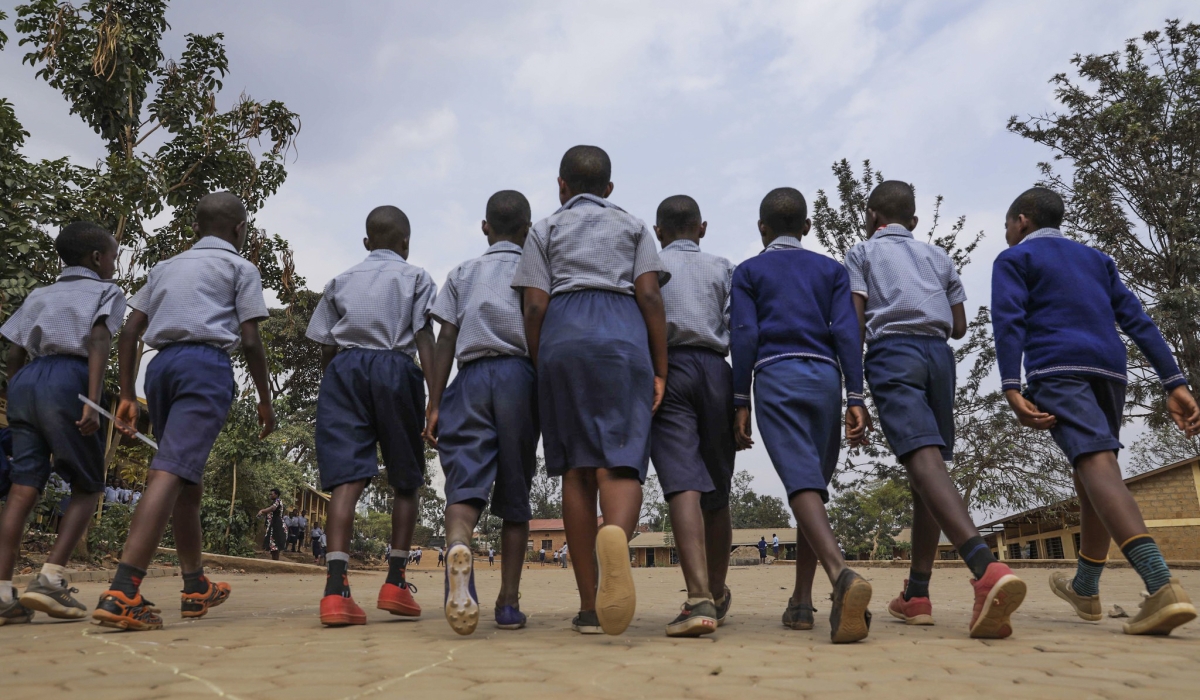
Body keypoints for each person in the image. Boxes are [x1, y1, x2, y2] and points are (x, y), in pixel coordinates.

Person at [993, 187, 1200, 636]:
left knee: (1095, 461)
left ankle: (1161, 585)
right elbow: (1137, 320)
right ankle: (1085, 588)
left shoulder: (1014, 260)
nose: (1006, 232)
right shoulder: (1096, 260)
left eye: (1007, 224)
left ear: (1022, 220)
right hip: (1110, 373)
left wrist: (1010, 385)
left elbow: (1009, 319)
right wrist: (1174, 382)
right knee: (1089, 466)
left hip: (1058, 369)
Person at [846, 180, 1026, 639]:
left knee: (921, 460)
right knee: (928, 469)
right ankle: (917, 595)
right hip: (938, 359)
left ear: (871, 216)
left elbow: (855, 320)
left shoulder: (862, 252)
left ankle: (985, 569)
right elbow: (961, 325)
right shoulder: (938, 255)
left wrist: (853, 390)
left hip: (893, 354)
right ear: (914, 221)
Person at [95, 193, 275, 631]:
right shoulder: (240, 268)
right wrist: (265, 399)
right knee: (169, 470)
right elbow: (250, 339)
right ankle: (123, 590)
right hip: (205, 368)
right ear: (240, 230)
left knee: (186, 480)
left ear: (195, 229)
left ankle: (195, 586)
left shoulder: (165, 267)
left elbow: (131, 330)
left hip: (161, 369)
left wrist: (124, 392)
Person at [512, 145, 669, 636]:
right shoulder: (634, 225)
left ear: (561, 186)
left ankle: (587, 607)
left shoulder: (544, 229)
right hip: (623, 337)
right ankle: (617, 535)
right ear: (609, 189)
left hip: (563, 335)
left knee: (576, 471)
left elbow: (534, 307)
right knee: (620, 461)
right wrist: (659, 368)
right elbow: (649, 294)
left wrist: (544, 364)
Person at [731, 187, 873, 644]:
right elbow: (847, 332)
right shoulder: (832, 270)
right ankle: (800, 602)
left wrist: (740, 399)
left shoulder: (749, 271)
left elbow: (745, 334)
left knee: (802, 486)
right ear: (807, 227)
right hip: (825, 381)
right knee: (811, 491)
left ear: (762, 228)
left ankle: (841, 576)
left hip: (776, 375)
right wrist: (855, 395)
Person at [306, 205, 436, 627]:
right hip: (395, 368)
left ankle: (336, 592)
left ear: (366, 242)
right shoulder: (416, 277)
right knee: (406, 479)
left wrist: (337, 385)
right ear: (406, 243)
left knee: (346, 481)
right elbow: (424, 336)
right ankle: (395, 582)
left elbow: (325, 343)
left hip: (344, 370)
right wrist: (436, 397)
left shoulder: (340, 280)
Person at [423, 190, 539, 634]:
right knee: (515, 492)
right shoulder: (534, 269)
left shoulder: (462, 273)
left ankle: (457, 544)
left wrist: (435, 402)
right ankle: (508, 604)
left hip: (469, 378)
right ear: (528, 231)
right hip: (518, 378)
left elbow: (444, 339)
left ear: (485, 228)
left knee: (464, 484)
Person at [0, 222, 125, 625]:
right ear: (96, 258)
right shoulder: (107, 291)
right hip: (70, 380)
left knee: (22, 489)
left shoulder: (40, 294)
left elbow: (14, 352)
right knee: (88, 485)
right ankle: (50, 580)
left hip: (27, 382)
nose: (115, 263)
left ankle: (3, 595)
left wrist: (16, 389)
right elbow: (99, 341)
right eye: (112, 256)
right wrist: (91, 399)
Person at [647, 194, 736, 637]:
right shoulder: (722, 267)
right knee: (717, 488)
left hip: (668, 370)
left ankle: (697, 596)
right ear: (702, 228)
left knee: (683, 483)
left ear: (658, 231)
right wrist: (743, 399)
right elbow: (739, 329)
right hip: (718, 373)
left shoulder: (648, 267)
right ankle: (717, 595)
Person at [258, 490, 286, 560]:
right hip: (274, 525)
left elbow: (272, 508)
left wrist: (262, 510)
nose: (270, 495)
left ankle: (275, 563)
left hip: (277, 526)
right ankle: (274, 562)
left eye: (272, 494)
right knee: (273, 546)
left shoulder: (277, 501)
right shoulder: (274, 502)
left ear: (276, 495)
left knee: (275, 545)